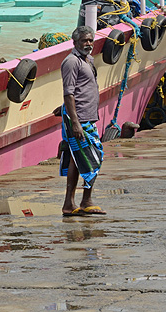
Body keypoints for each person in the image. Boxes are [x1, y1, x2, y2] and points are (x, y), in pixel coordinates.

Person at [59, 25, 106, 216]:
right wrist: (75, 122)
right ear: (75, 42)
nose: (88, 44)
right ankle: (79, 201)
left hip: (87, 116)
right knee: (92, 157)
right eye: (84, 40)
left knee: (77, 159)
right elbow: (68, 92)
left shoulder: (87, 60)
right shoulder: (71, 62)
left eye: (90, 40)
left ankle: (79, 202)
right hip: (79, 119)